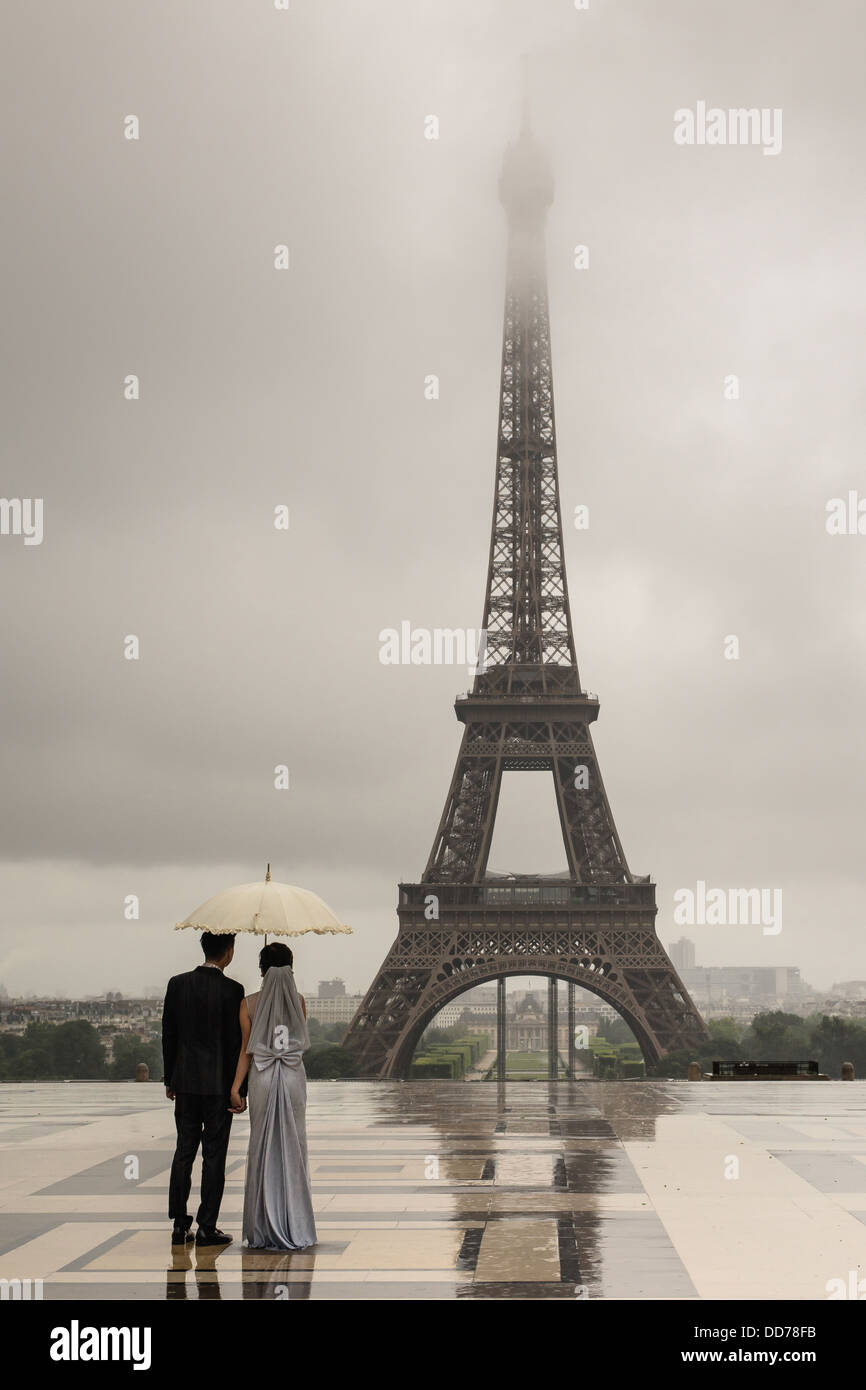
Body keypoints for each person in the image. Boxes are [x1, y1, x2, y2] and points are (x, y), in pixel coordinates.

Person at [228, 942, 317, 1250]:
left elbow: (246, 1050)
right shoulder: (300, 1001)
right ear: (291, 969)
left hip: (263, 1078)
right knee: (294, 1147)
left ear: (262, 970)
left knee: (262, 1148)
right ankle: (295, 1223)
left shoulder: (248, 1004)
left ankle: (263, 1226)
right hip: (292, 1076)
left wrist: (235, 1087)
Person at [162, 931, 245, 1247]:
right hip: (219, 1087)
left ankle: (179, 1225)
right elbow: (238, 1043)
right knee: (214, 1156)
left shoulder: (177, 983)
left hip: (185, 1082)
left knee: (184, 1152)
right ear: (229, 952)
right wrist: (241, 1089)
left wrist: (170, 1078)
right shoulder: (233, 990)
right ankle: (207, 1225)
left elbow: (168, 1034)